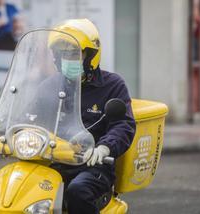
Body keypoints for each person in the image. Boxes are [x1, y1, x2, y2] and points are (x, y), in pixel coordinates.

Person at [48, 19, 136, 214]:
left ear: (91, 56)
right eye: (62, 54)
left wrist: (104, 148)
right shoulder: (51, 86)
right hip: (52, 162)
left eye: (73, 54)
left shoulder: (113, 85)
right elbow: (30, 115)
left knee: (78, 191)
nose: (67, 59)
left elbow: (123, 125)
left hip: (93, 165)